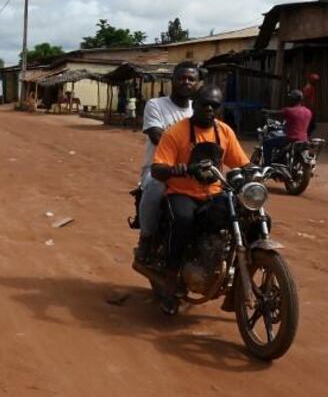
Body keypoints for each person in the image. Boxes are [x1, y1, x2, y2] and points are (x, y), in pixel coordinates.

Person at [150, 85, 251, 288]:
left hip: (213, 193)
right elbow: (156, 169)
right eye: (205, 104)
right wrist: (175, 170)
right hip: (181, 192)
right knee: (183, 220)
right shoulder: (175, 133)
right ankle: (170, 277)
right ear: (194, 104)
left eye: (215, 106)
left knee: (246, 215)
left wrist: (255, 170)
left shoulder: (224, 131)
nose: (209, 110)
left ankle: (239, 275)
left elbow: (242, 163)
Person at [133, 61, 202, 266]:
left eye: (191, 79)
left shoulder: (198, 109)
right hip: (160, 168)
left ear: (198, 83)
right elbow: (157, 136)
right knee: (155, 186)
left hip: (192, 171)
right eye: (181, 78)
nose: (186, 82)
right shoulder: (156, 105)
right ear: (172, 80)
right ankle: (146, 237)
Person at [262, 89, 311, 164]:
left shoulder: (289, 111)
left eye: (290, 98)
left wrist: (265, 111)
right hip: (304, 140)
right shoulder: (308, 112)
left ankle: (267, 164)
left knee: (266, 142)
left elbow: (276, 113)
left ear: (293, 99)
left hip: (290, 139)